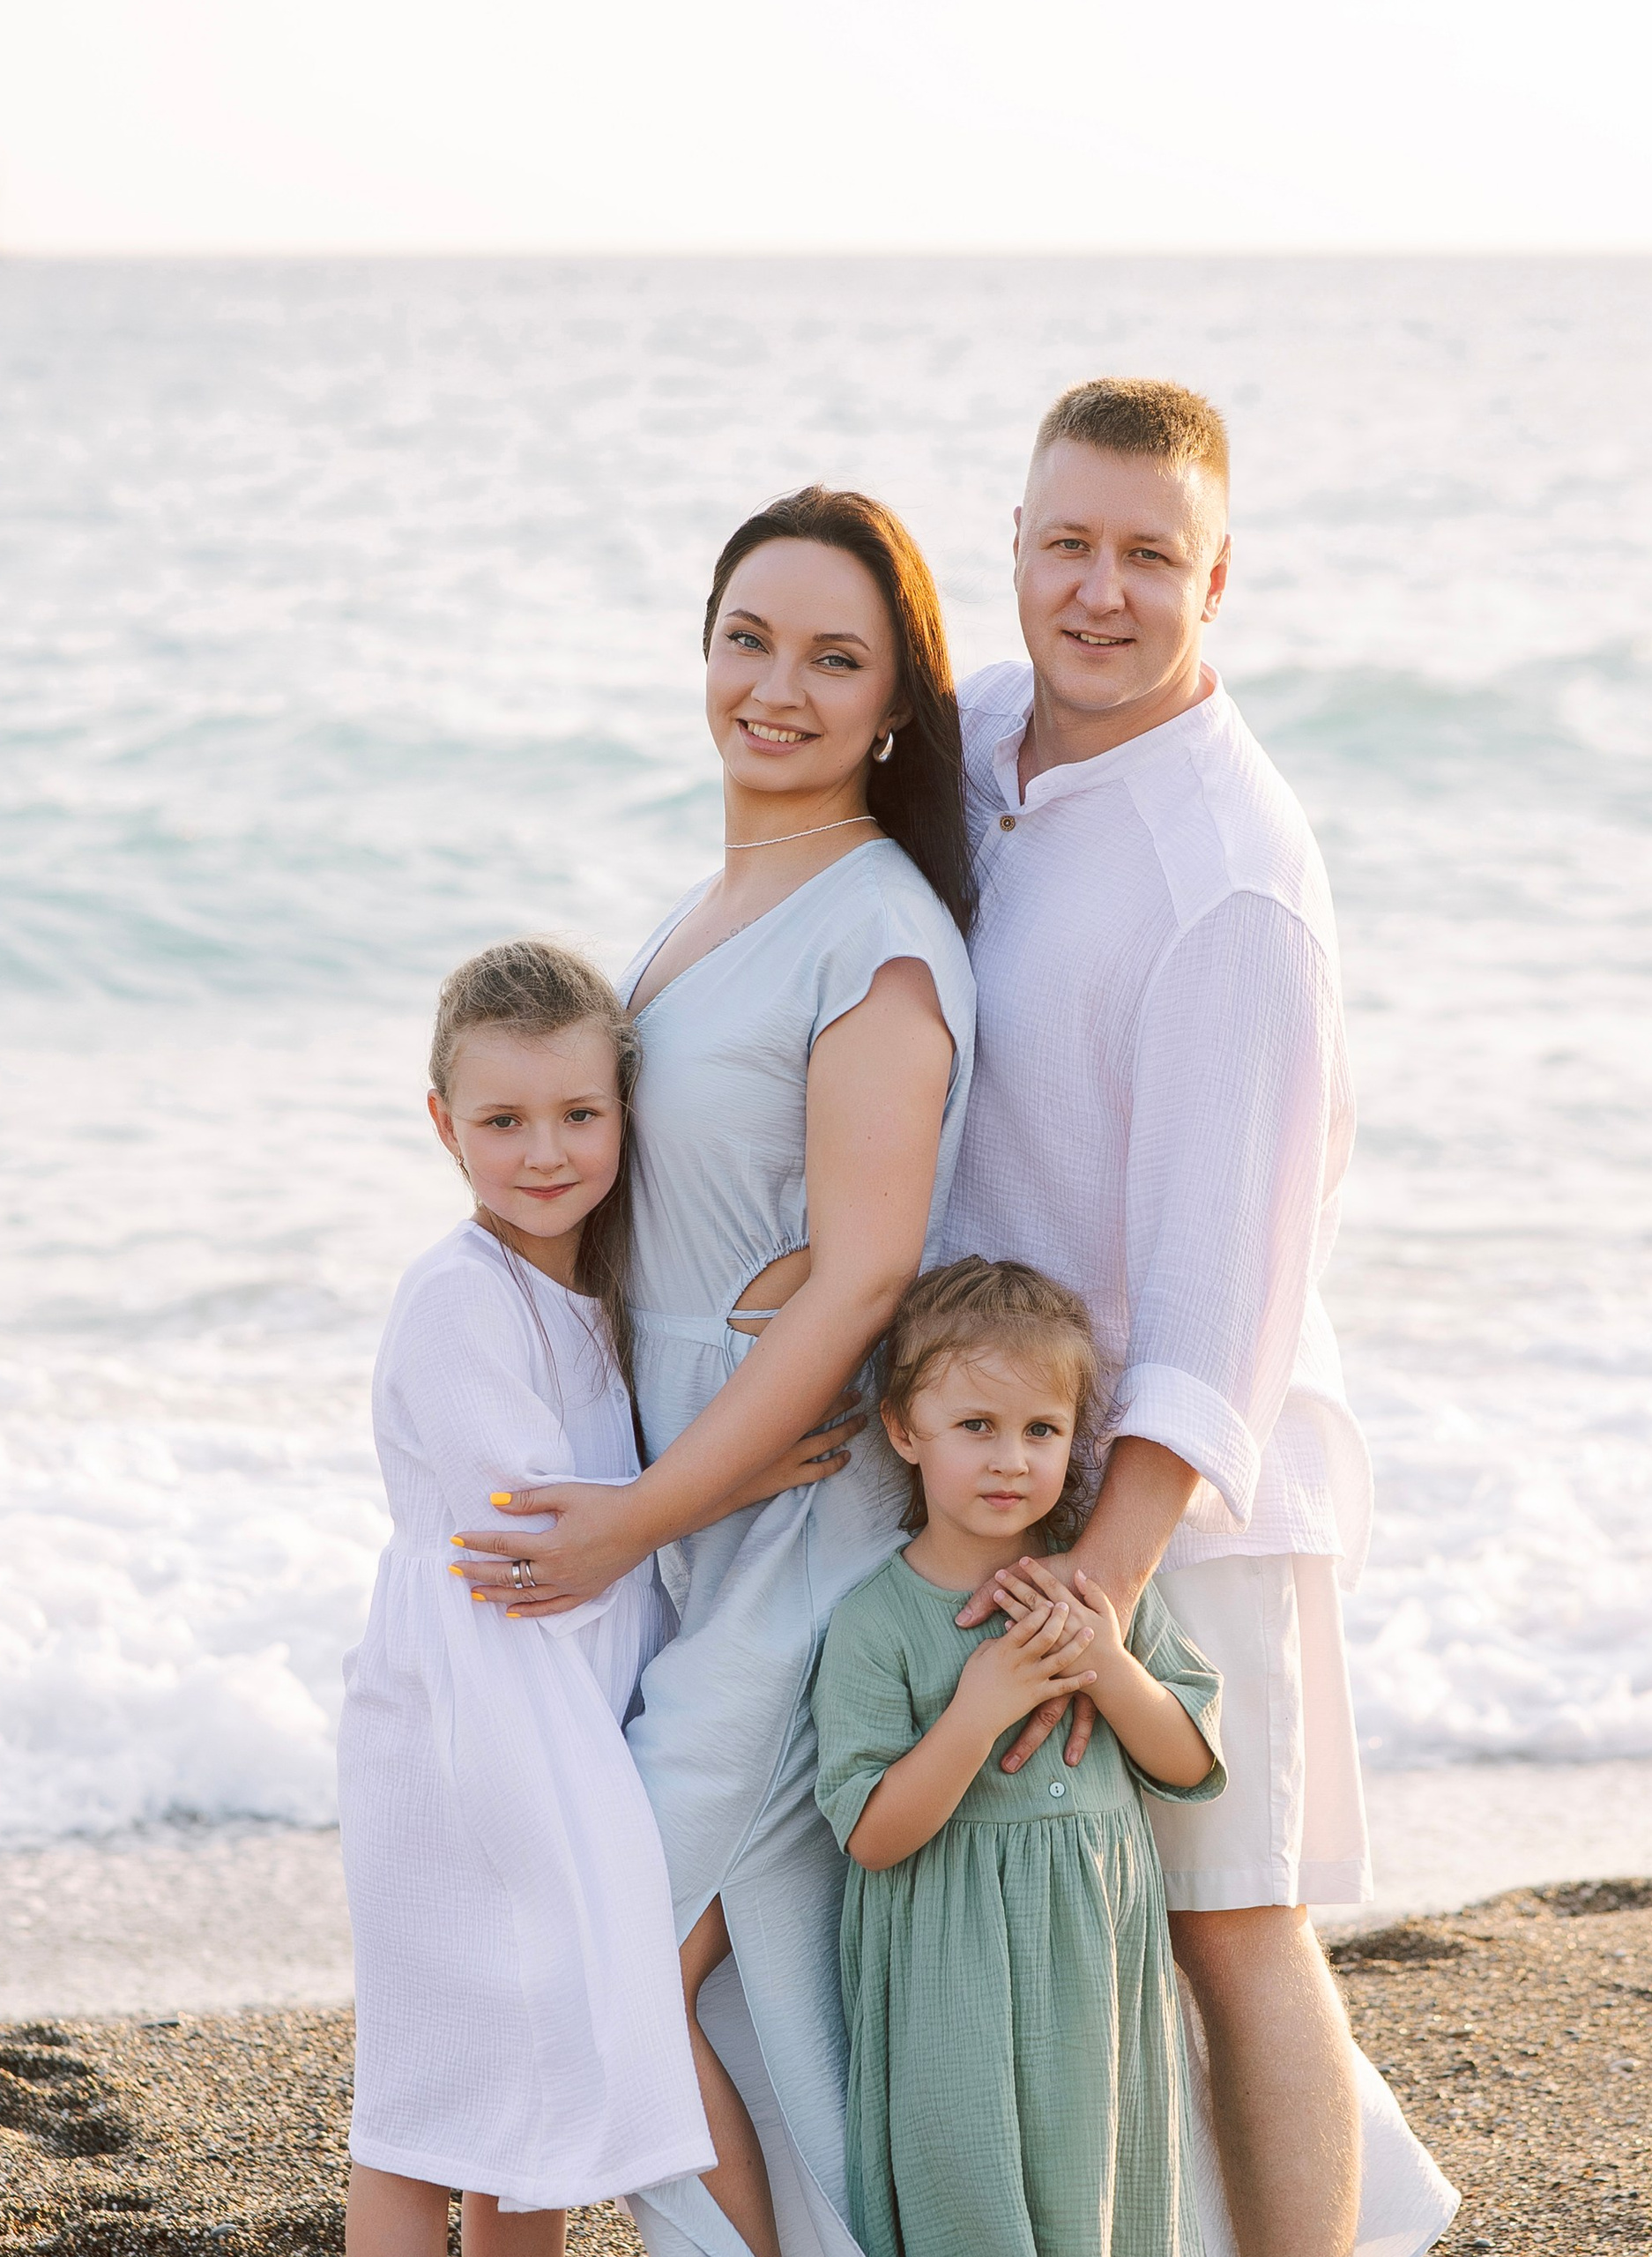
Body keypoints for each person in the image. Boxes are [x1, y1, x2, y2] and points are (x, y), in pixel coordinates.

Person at [939, 379, 1457, 2257]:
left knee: (1232, 1922)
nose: (1097, 590)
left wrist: (1104, 1578)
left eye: (1145, 555)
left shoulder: (1228, 873)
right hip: (1003, 1455)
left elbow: (1225, 1294)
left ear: (1216, 578)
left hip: (1191, 1500)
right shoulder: (985, 733)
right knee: (1087, 1919)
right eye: (1063, 543)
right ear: (1007, 550)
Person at [452, 488, 977, 2257]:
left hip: (790, 1535)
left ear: (895, 701)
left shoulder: (876, 932)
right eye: (746, 637)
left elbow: (868, 1269)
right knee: (738, 2005)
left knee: (601, 1967)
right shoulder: (712, 901)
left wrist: (640, 1516)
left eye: (835, 656)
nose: (778, 684)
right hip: (690, 1507)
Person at [339, 938, 854, 2257]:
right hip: (470, 1727)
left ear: (628, 1113)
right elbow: (542, 1546)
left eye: (579, 1115)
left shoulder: (589, 1288)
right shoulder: (461, 1297)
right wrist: (723, 1481)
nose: (547, 1152)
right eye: (504, 1121)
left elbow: (605, 1521)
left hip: (548, 1713)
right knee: (430, 2097)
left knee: (540, 2094)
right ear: (444, 1126)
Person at [813, 1257, 1225, 2257]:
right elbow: (870, 1835)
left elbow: (1189, 1762)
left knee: (1101, 2185)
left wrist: (1109, 1666)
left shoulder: (1093, 1594)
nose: (1010, 1459)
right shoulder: (878, 1620)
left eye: (1041, 1429)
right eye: (974, 1427)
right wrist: (978, 1705)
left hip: (1093, 1942)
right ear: (904, 1430)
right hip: (949, 1955)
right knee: (969, 2187)